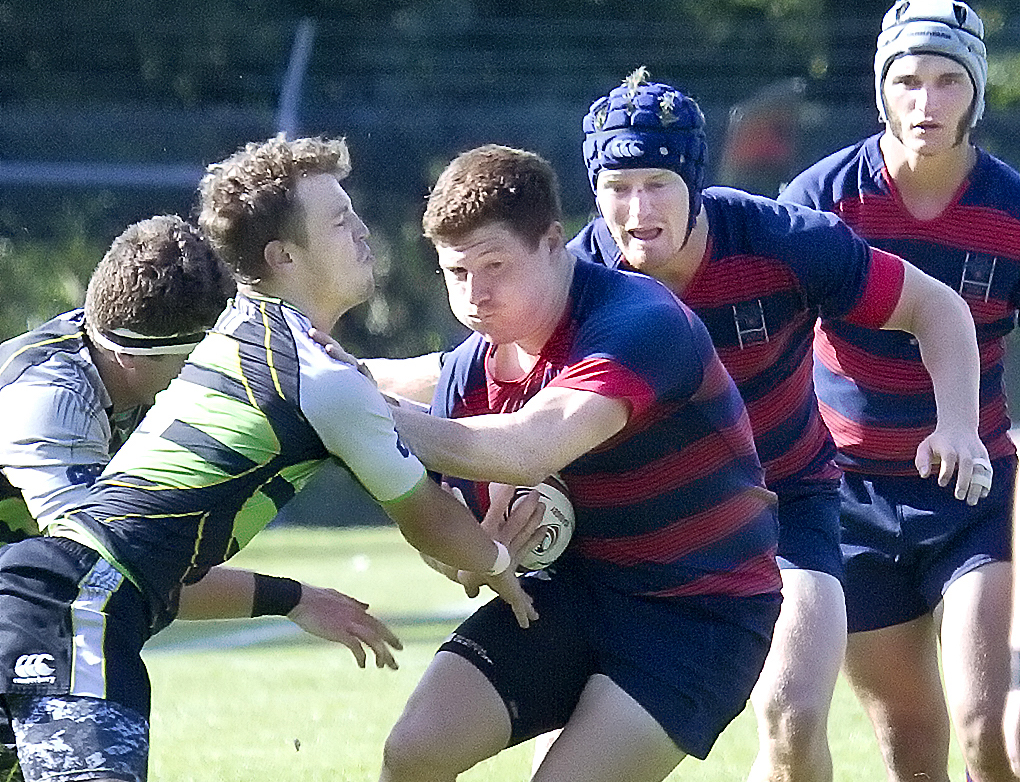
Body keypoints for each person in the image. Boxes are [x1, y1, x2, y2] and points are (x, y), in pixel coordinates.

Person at [0, 136, 541, 782]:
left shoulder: (252, 333)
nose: (362, 231)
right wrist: (503, 569)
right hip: (78, 608)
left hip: (56, 600)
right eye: (340, 221)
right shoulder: (316, 378)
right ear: (284, 255)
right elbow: (425, 516)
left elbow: (392, 407)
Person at [564, 67, 989, 782]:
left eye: (658, 184)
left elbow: (935, 307)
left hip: (786, 507)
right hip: (642, 529)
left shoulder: (780, 241)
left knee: (791, 717)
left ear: (692, 182)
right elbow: (495, 384)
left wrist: (958, 425)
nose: (638, 209)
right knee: (575, 757)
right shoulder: (576, 280)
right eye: (618, 186)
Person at [361, 143, 783, 782]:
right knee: (414, 753)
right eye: (456, 272)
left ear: (554, 242)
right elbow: (444, 535)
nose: (476, 294)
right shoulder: (468, 376)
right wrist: (475, 554)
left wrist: (355, 416)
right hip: (567, 594)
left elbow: (531, 444)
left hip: (698, 613)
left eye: (495, 264)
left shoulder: (640, 320)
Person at [0, 213, 411, 782]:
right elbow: (107, 573)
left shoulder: (114, 356)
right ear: (137, 355)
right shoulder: (52, 402)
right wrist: (288, 597)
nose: (215, 377)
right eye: (201, 359)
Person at [778, 3, 1019, 781]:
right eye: (908, 81)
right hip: (844, 497)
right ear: (883, 91)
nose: (928, 101)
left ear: (976, 93)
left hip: (973, 490)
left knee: (991, 731)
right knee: (911, 743)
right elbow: (771, 339)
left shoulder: (1011, 208)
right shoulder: (822, 199)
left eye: (949, 80)